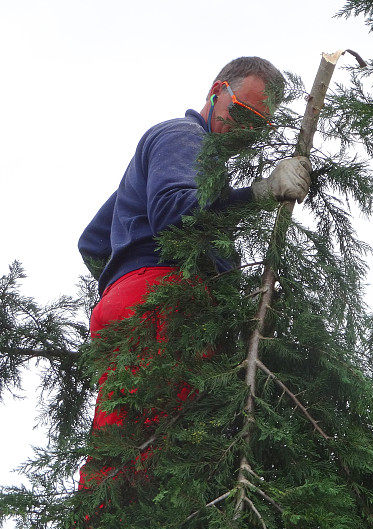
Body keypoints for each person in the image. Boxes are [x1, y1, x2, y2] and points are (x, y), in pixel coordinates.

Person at [76, 56, 311, 487]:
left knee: (138, 451)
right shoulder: (184, 137)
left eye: (260, 125)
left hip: (144, 302)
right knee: (142, 462)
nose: (246, 129)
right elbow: (174, 216)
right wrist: (258, 194)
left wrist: (118, 290)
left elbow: (93, 242)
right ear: (217, 91)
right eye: (241, 113)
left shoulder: (186, 157)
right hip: (162, 300)